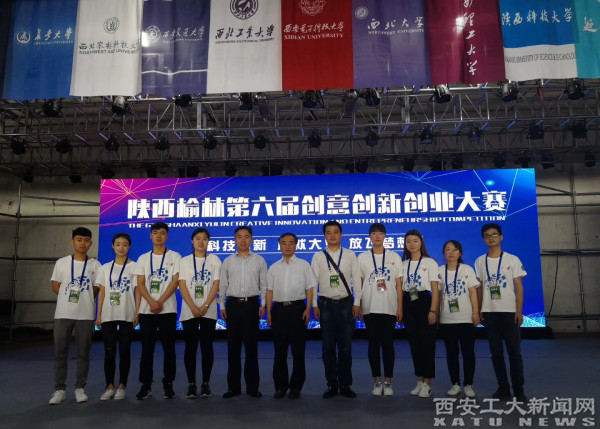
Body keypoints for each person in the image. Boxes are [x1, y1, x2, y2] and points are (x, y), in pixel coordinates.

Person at [49, 227, 102, 405]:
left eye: (86, 240)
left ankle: (80, 388)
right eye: (79, 240)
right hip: (63, 313)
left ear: (91, 243)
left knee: (83, 354)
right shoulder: (62, 262)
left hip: (85, 315)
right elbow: (55, 287)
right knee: (60, 353)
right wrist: (69, 299)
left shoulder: (95, 265)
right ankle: (59, 389)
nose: (83, 243)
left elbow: (96, 289)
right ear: (72, 241)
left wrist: (82, 298)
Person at [475, 223, 527, 402]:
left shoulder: (512, 259)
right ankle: (503, 387)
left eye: (494, 235)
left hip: (510, 312)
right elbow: (480, 288)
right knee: (496, 354)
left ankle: (518, 389)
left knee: (515, 353)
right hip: (489, 313)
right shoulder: (480, 261)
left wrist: (519, 311)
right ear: (484, 239)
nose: (491, 238)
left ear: (501, 237)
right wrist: (479, 310)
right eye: (487, 235)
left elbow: (519, 287)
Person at [310, 220, 362, 399]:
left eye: (335, 232)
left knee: (346, 348)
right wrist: (314, 305)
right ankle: (332, 384)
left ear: (341, 234)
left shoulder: (350, 254)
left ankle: (345, 384)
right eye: (328, 232)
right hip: (325, 305)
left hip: (346, 304)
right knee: (328, 348)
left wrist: (357, 303)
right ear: (324, 235)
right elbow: (313, 282)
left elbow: (357, 279)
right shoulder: (318, 256)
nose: (332, 235)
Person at [134, 222, 182, 400]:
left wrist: (159, 301)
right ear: (150, 236)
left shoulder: (175, 256)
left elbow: (175, 282)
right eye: (155, 233)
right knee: (147, 349)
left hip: (167, 309)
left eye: (162, 233)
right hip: (147, 310)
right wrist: (151, 302)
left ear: (167, 236)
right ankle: (146, 384)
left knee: (169, 349)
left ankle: (168, 383)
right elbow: (140, 283)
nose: (159, 236)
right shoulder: (143, 258)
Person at [266, 233, 316, 399]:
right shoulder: (273, 268)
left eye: (291, 243)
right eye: (284, 243)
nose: (287, 246)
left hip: (297, 309)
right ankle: (280, 387)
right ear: (279, 245)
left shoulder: (303, 265)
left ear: (296, 245)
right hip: (279, 310)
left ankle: (295, 387)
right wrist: (268, 312)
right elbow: (269, 291)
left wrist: (308, 309)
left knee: (298, 351)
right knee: (279, 351)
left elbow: (310, 288)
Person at [219, 226, 267, 398]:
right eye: (239, 237)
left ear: (252, 239)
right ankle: (234, 388)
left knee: (251, 349)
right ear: (235, 240)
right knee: (233, 349)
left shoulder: (259, 260)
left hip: (252, 305)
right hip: (233, 305)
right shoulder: (228, 261)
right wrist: (222, 306)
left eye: (246, 237)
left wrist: (263, 304)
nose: (243, 240)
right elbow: (223, 285)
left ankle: (252, 388)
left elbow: (264, 284)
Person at [357, 223, 403, 396]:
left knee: (388, 344)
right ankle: (377, 381)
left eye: (380, 233)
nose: (377, 236)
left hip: (389, 307)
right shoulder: (362, 257)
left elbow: (399, 285)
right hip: (370, 307)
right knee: (373, 345)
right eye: (374, 233)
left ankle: (388, 382)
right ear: (369, 236)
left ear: (385, 236)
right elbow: (359, 283)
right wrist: (359, 305)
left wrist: (400, 307)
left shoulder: (394, 256)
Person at [178, 228, 221, 399]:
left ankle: (205, 383)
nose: (201, 242)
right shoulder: (185, 261)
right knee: (190, 347)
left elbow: (216, 284)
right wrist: (193, 307)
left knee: (206, 347)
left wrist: (205, 305)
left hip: (208, 310)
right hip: (189, 311)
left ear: (208, 241)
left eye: (204, 239)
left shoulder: (214, 260)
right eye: (197, 238)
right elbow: (182, 285)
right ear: (192, 241)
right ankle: (191, 384)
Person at [96, 233, 137, 401]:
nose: (121, 248)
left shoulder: (135, 267)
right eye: (118, 244)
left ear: (129, 247)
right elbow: (102, 292)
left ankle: (122, 386)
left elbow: (138, 291)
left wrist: (137, 312)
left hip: (127, 313)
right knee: (109, 351)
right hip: (109, 314)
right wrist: (99, 314)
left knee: (125, 351)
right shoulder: (105, 268)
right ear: (113, 246)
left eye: (125, 244)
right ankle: (110, 386)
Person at [438, 240, 480, 399]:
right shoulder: (439, 271)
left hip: (466, 318)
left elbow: (473, 292)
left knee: (468, 353)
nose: (451, 253)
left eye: (455, 250)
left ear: (460, 253)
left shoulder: (467, 269)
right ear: (443, 253)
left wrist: (476, 313)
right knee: (451, 354)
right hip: (447, 319)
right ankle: (455, 384)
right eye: (448, 249)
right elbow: (437, 295)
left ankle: (469, 385)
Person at [402, 229, 440, 398]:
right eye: (408, 241)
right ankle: (419, 380)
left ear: (421, 243)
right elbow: (401, 289)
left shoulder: (429, 262)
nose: (412, 244)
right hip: (408, 302)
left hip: (424, 302)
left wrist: (433, 310)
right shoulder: (403, 264)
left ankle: (427, 383)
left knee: (427, 345)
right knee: (414, 344)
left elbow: (435, 290)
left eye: (415, 241)